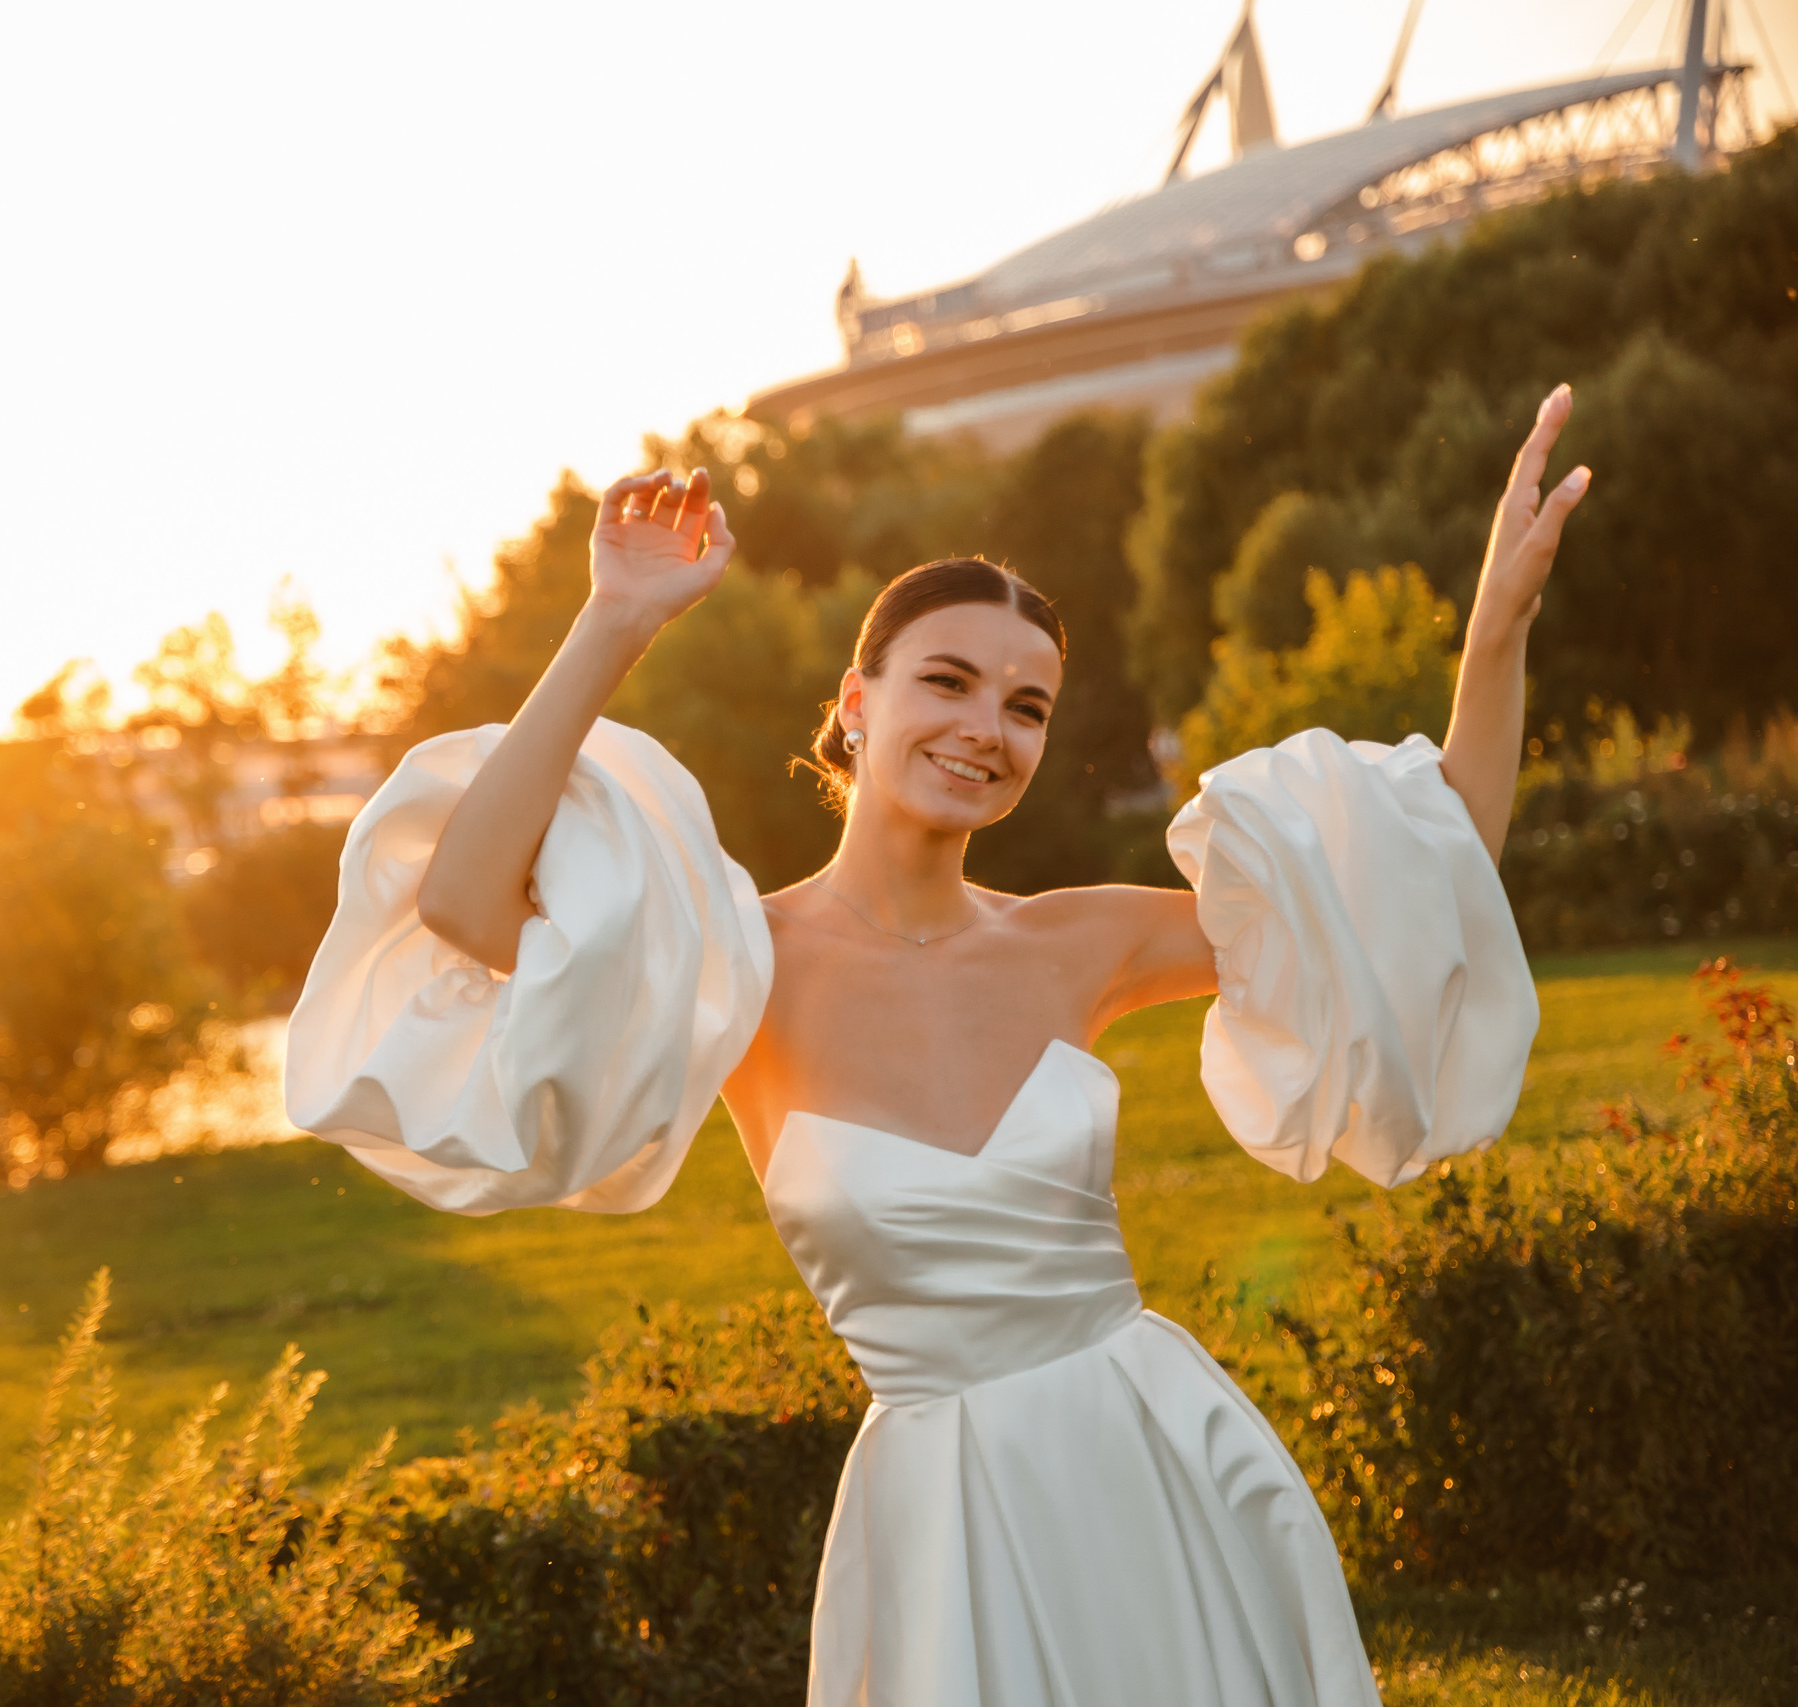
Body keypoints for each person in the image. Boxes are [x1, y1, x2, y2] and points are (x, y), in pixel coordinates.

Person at [286, 387, 1587, 1704]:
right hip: (944, 1521)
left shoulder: (1081, 940)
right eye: (949, 681)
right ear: (856, 699)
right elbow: (460, 901)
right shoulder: (741, 961)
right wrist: (615, 620)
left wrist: (1498, 625)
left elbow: (1433, 877)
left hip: (1155, 1460)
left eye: (1026, 706)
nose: (986, 726)